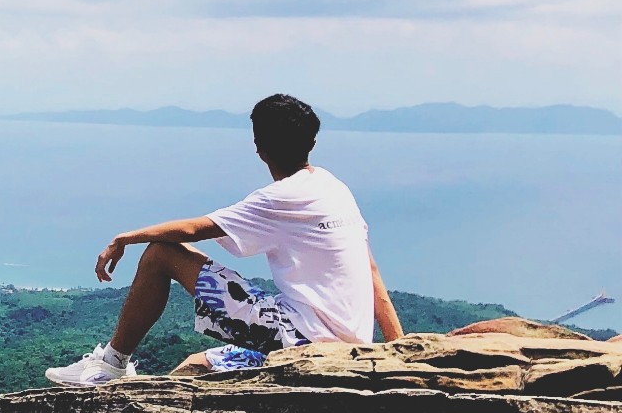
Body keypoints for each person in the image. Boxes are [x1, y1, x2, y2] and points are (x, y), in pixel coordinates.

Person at [45, 93, 404, 387]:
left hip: (301, 340)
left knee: (160, 255)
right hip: (346, 348)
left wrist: (126, 238)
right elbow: (370, 270)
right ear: (311, 142)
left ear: (259, 146)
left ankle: (112, 364)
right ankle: (118, 367)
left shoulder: (280, 197)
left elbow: (191, 231)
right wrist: (398, 351)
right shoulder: (334, 188)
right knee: (196, 365)